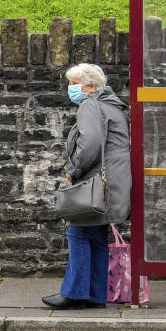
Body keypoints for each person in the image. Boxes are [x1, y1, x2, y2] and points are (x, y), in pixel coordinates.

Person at [42, 62, 131, 310]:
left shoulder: (91, 104)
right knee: (97, 236)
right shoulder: (114, 107)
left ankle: (75, 293)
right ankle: (95, 295)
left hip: (94, 182)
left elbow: (90, 143)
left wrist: (73, 169)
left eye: (74, 83)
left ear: (91, 86)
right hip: (114, 183)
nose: (70, 88)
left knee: (78, 231)